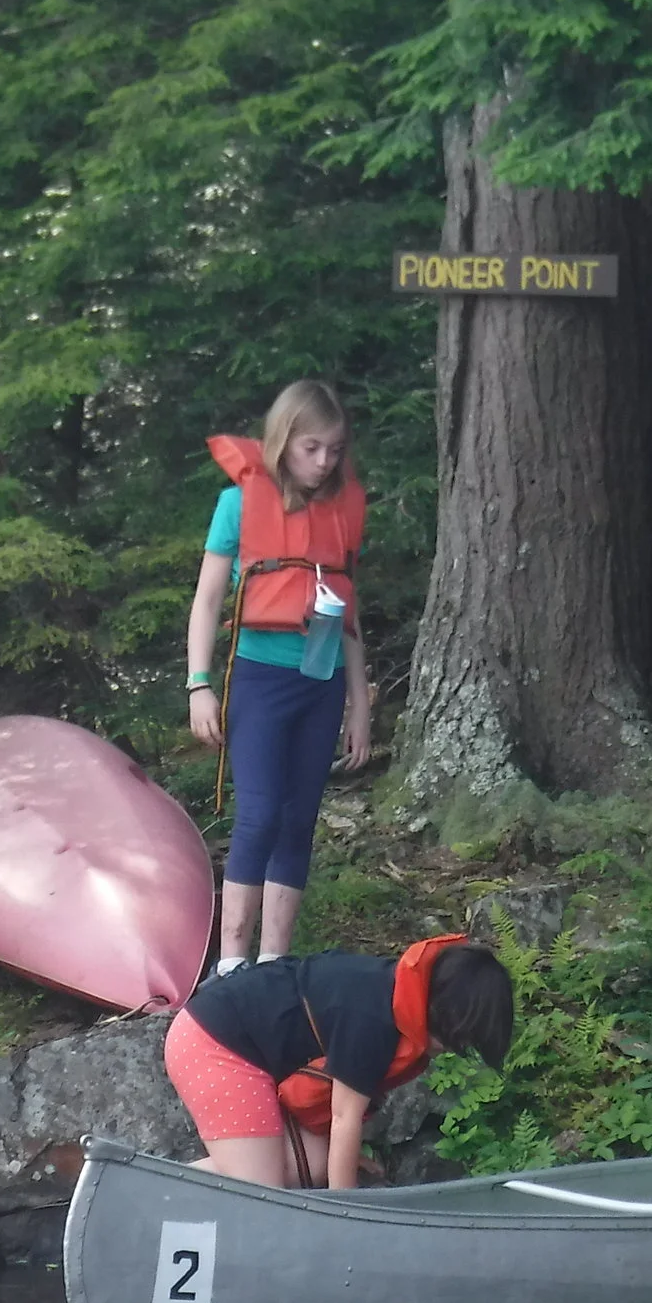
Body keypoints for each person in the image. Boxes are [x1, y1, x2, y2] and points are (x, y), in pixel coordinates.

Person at [184, 381, 372, 978]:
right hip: (260, 679)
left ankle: (274, 963)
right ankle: (232, 965)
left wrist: (360, 703)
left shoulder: (343, 509)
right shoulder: (238, 503)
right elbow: (207, 600)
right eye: (311, 448)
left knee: (298, 820)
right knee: (260, 814)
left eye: (334, 450)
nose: (324, 462)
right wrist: (198, 683)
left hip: (323, 682)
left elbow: (349, 615)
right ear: (283, 441)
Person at [163, 936, 514, 1189]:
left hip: (252, 1052)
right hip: (214, 1043)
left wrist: (342, 1162)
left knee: (314, 1166)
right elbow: (345, 1118)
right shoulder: (374, 1021)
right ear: (443, 1015)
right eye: (457, 1040)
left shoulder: (398, 993)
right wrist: (346, 1214)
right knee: (261, 1192)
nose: (453, 1050)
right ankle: (149, 1189)